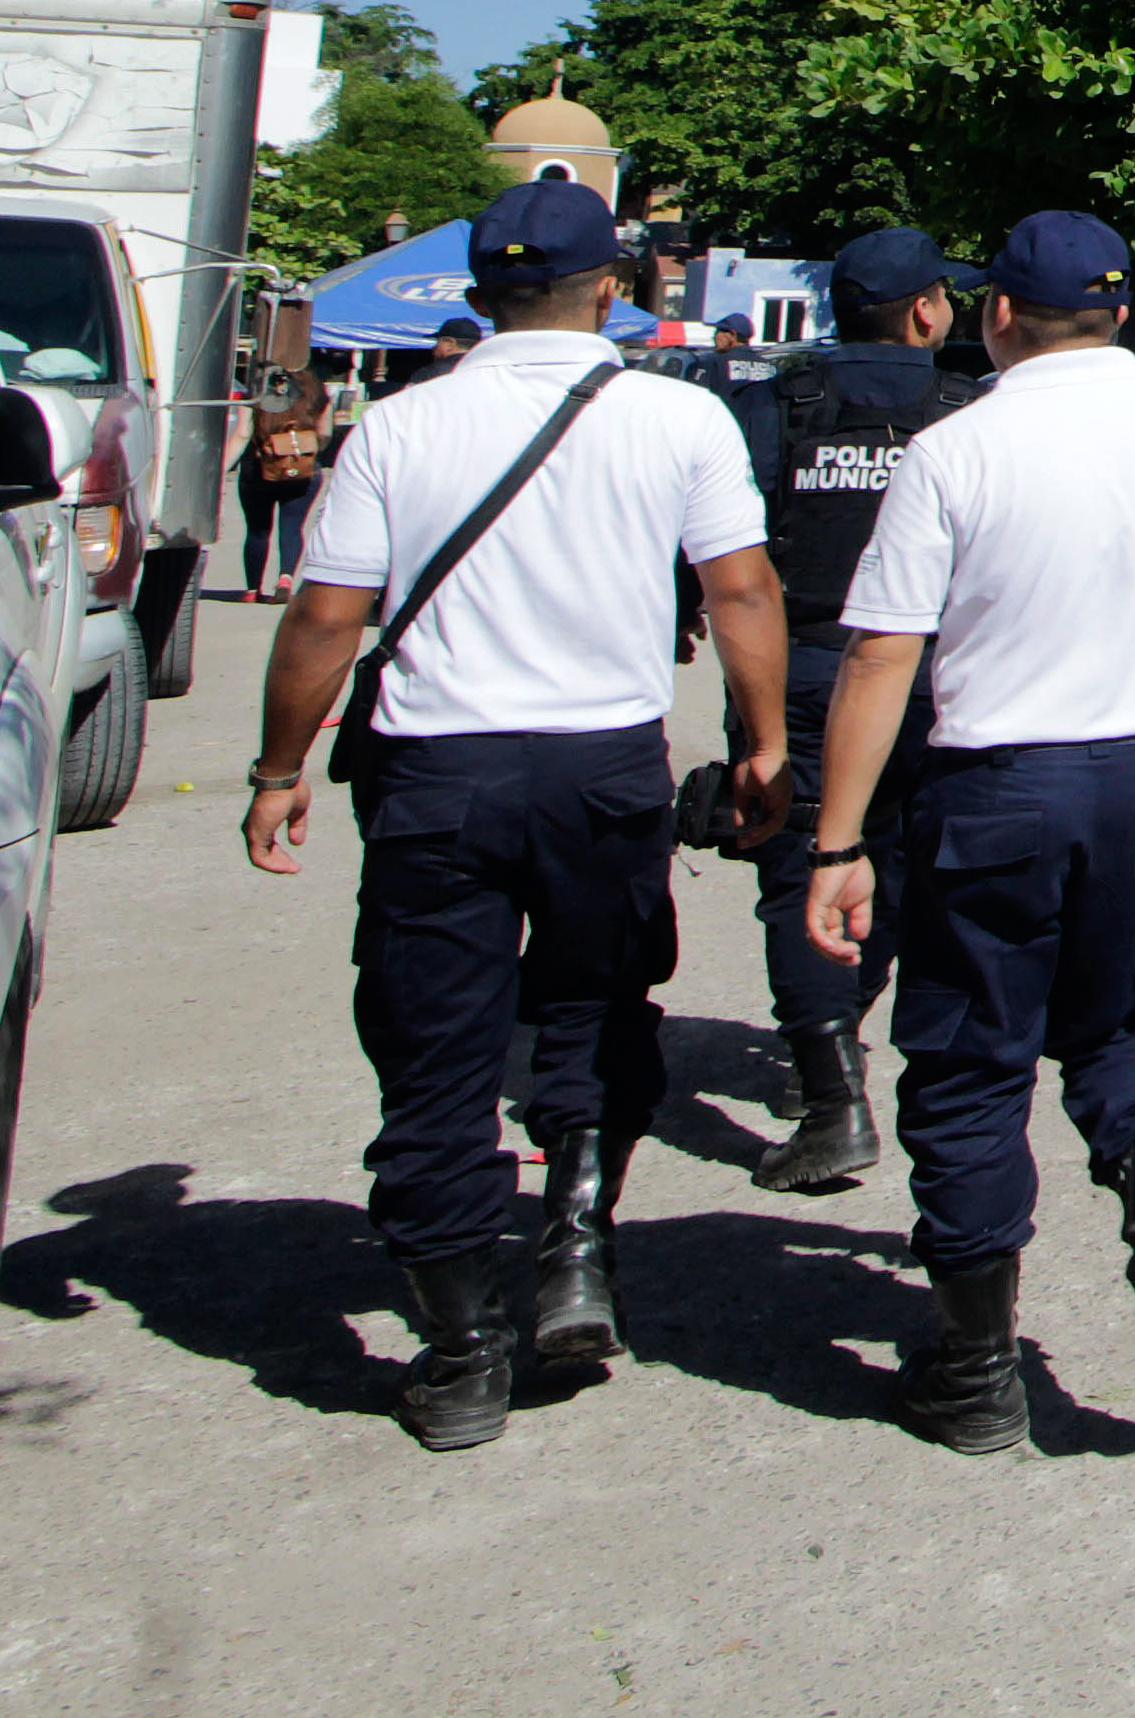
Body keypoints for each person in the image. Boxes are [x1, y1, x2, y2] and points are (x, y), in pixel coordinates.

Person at [243, 182, 787, 1450]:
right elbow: (743, 588)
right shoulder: (677, 417)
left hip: (438, 771)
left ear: (479, 295)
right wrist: (762, 745)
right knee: (599, 1007)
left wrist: (279, 769)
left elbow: (328, 616)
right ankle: (579, 1241)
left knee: (435, 1045)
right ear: (613, 287)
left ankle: (458, 1346)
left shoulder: (398, 426)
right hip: (603, 767)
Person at [804, 213, 1135, 1454]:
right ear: (1127, 311)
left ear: (993, 315)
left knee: (972, 1059)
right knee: (1125, 1014)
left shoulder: (958, 445)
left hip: (995, 782)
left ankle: (979, 1369)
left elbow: (884, 650)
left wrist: (835, 844)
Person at [724, 225, 984, 1194]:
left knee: (806, 867)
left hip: (806, 667)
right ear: (924, 309)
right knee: (915, 870)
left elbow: (727, 558)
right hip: (931, 679)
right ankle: (861, 1057)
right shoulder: (964, 410)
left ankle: (831, 1081)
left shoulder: (777, 404)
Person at [236, 367, 334, 601]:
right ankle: (285, 578)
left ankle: (252, 590)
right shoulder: (316, 391)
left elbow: (241, 433)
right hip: (302, 469)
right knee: (292, 526)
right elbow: (325, 434)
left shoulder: (257, 388)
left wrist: (222, 469)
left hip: (260, 466)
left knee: (257, 530)